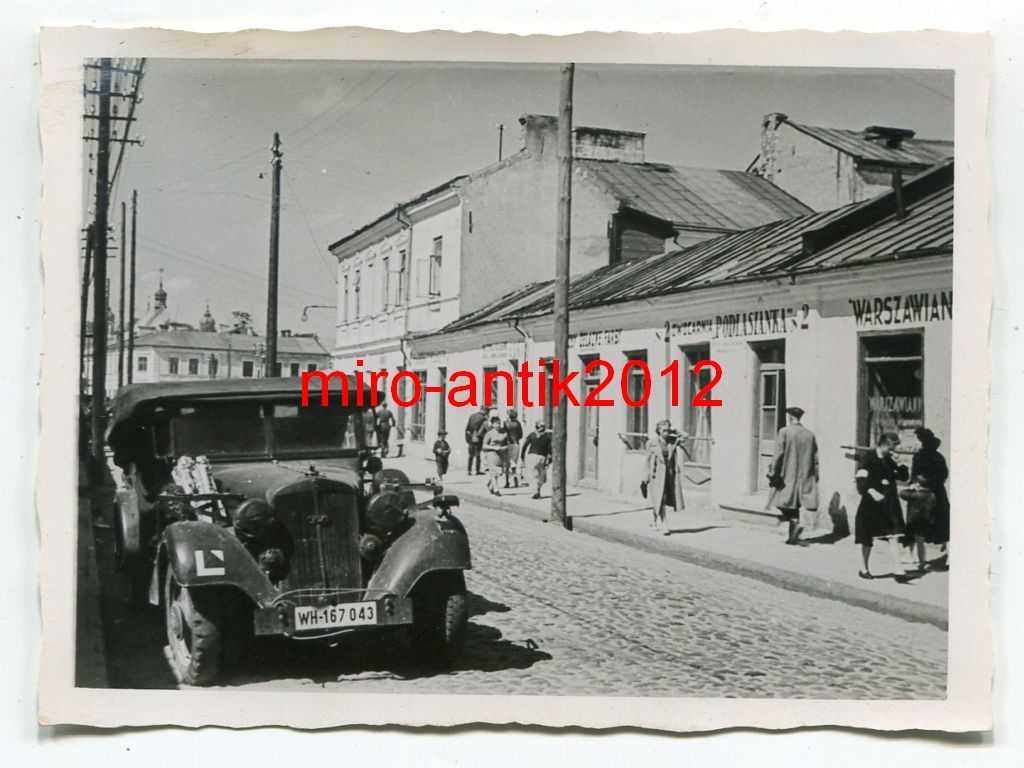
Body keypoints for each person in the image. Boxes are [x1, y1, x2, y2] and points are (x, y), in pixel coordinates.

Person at [855, 432, 912, 582]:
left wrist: (899, 463)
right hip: (871, 504)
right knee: (867, 538)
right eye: (891, 447)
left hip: (888, 504)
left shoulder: (889, 459)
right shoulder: (868, 458)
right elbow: (861, 481)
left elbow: (903, 477)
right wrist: (872, 492)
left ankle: (898, 570)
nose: (893, 451)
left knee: (893, 536)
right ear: (884, 444)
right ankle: (864, 568)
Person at [769, 406, 820, 545]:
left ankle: (794, 522)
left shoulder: (784, 432)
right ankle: (792, 536)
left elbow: (778, 454)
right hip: (805, 474)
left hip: (788, 473)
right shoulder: (810, 434)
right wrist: (815, 475)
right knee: (795, 503)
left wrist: (773, 471)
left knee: (781, 502)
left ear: (790, 417)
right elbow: (816, 457)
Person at [911, 427, 950, 563]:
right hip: (939, 492)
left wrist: (917, 483)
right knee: (943, 524)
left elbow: (915, 476)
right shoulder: (939, 457)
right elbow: (944, 474)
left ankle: (920, 559)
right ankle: (949, 557)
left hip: (924, 494)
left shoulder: (918, 457)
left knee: (919, 525)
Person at [645, 420, 688, 535]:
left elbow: (685, 436)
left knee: (660, 499)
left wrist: (674, 430)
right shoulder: (651, 443)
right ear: (658, 431)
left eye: (668, 430)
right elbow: (647, 461)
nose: (666, 433)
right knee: (661, 499)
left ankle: (653, 520)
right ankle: (664, 524)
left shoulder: (673, 440)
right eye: (664, 430)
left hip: (669, 475)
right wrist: (646, 477)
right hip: (656, 476)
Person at [520, 421, 553, 499]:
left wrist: (522, 456)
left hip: (532, 457)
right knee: (542, 477)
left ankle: (535, 491)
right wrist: (550, 459)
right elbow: (550, 449)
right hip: (542, 457)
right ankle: (537, 491)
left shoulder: (532, 435)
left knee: (533, 476)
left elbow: (525, 445)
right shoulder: (547, 436)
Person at [481, 416, 509, 495]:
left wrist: (503, 448)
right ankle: (496, 489)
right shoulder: (489, 434)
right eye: (496, 423)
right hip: (491, 454)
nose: (498, 425)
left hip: (501, 454)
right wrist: (494, 448)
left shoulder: (504, 433)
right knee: (494, 471)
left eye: (499, 423)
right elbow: (484, 445)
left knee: (499, 472)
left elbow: (507, 445)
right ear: (492, 424)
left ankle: (490, 485)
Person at [465, 406, 489, 476]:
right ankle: (477, 470)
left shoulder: (472, 416)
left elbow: (467, 428)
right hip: (479, 437)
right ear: (485, 411)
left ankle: (469, 470)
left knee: (470, 455)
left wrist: (467, 438)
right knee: (478, 454)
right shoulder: (483, 418)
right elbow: (484, 429)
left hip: (471, 437)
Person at [503, 409, 524, 488]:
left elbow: (504, 434)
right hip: (516, 444)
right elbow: (520, 435)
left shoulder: (505, 423)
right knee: (514, 462)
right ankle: (515, 477)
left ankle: (507, 481)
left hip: (508, 444)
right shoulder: (518, 423)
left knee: (507, 464)